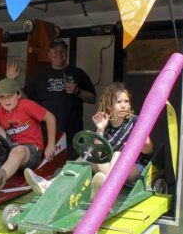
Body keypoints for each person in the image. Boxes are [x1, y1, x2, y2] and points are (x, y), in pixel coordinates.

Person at [25, 82, 153, 197]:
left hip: (133, 170)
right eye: (119, 102)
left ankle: (105, 189)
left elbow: (149, 150)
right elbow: (97, 154)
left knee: (118, 155)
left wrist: (141, 139)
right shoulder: (106, 125)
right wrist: (100, 129)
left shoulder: (135, 121)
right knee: (88, 154)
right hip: (110, 174)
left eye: (126, 101)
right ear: (108, 106)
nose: (124, 106)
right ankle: (50, 185)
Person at [6, 38, 96, 159]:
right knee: (47, 168)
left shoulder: (78, 73)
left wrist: (77, 91)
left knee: (70, 167)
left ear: (67, 52)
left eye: (62, 50)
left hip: (72, 133)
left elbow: (92, 98)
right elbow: (24, 97)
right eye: (55, 51)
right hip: (47, 134)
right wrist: (12, 81)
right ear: (49, 54)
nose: (58, 53)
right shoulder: (40, 76)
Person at [0, 78, 56, 202]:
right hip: (10, 148)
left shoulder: (27, 105)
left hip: (30, 151)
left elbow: (50, 118)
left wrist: (51, 144)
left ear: (18, 94)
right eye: (2, 97)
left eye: (9, 96)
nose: (6, 100)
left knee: (18, 150)